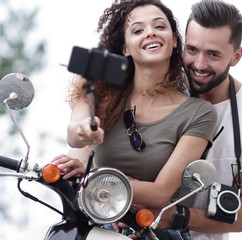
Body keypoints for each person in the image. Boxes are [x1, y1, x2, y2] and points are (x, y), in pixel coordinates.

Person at [52, 0, 217, 228]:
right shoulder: (97, 90)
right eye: (138, 30)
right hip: (94, 221)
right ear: (125, 48)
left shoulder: (199, 113)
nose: (150, 33)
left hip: (149, 228)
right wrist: (82, 132)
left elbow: (160, 193)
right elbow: (74, 134)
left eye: (159, 27)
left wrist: (96, 176)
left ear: (175, 40)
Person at [151, 1, 242, 240]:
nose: (199, 64)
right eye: (192, 50)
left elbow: (241, 217)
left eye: (213, 54)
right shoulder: (153, 89)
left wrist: (171, 216)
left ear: (236, 56)